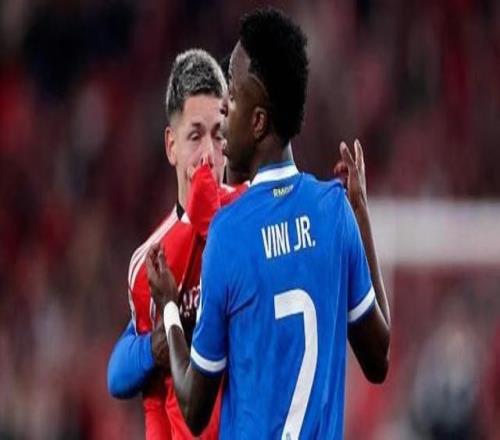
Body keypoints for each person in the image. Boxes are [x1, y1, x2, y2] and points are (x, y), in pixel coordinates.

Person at [146, 7, 391, 439]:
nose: (224, 107)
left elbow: (195, 406)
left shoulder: (228, 233)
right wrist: (361, 214)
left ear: (259, 122)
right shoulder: (335, 212)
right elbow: (378, 359)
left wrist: (168, 307)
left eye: (233, 93)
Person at [107, 49, 246, 439]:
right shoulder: (151, 262)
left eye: (218, 135)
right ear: (171, 146)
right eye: (195, 136)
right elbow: (131, 383)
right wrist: (158, 345)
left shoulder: (255, 219)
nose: (208, 155)